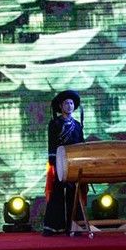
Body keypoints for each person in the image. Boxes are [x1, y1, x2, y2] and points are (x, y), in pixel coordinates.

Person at [43, 89, 85, 236]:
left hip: (74, 163)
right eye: (66, 103)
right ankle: (54, 227)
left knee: (74, 194)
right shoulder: (54, 123)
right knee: (57, 194)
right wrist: (53, 163)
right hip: (59, 162)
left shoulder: (77, 125)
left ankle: (74, 227)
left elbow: (81, 145)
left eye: (71, 103)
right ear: (61, 106)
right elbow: (52, 145)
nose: (69, 106)